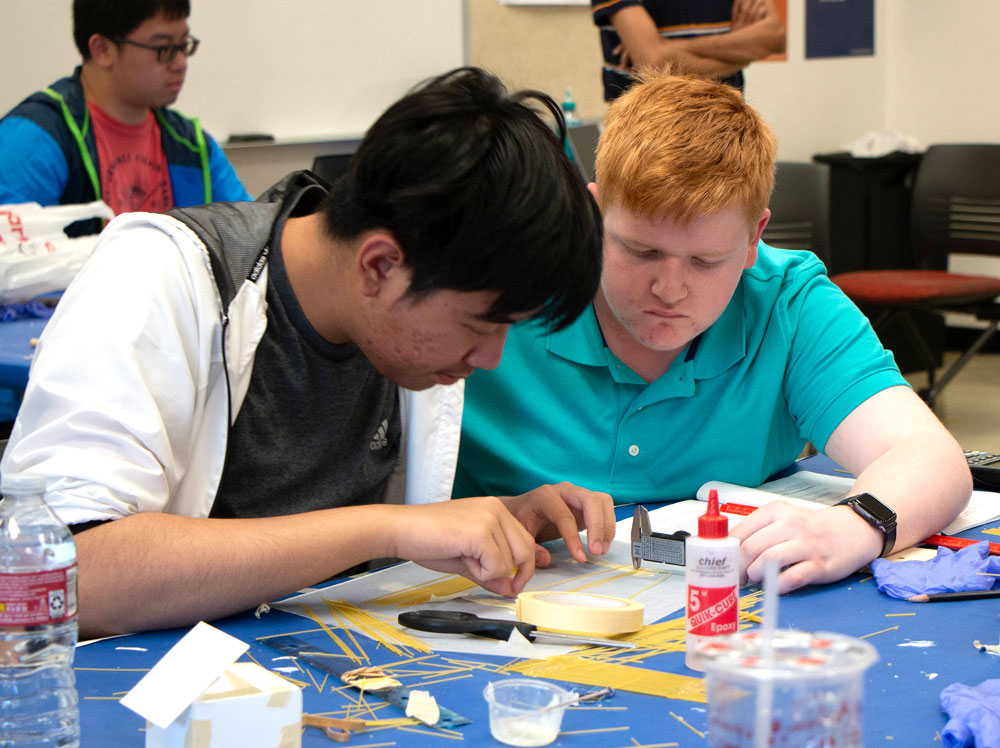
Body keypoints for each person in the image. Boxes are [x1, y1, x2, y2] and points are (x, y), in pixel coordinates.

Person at [0, 67, 614, 638]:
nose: (489, 359)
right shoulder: (154, 278)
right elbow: (66, 572)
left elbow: (357, 543)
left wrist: (500, 521)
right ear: (379, 264)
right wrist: (392, 529)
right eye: (481, 325)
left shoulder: (402, 332)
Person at [455, 70, 972, 595]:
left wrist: (855, 524)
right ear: (592, 213)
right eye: (642, 250)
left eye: (706, 261)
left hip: (725, 614)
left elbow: (931, 457)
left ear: (754, 239)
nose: (670, 289)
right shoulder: (502, 289)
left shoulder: (787, 302)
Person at [0, 0, 250, 235]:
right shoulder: (30, 141)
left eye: (183, 45)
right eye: (164, 48)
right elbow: (16, 269)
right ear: (102, 49)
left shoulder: (192, 145)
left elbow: (250, 236)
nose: (181, 63)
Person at [592, 0, 786, 101]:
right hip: (647, 142)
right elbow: (656, 64)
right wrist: (743, 51)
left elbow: (775, 37)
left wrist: (671, 47)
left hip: (726, 134)